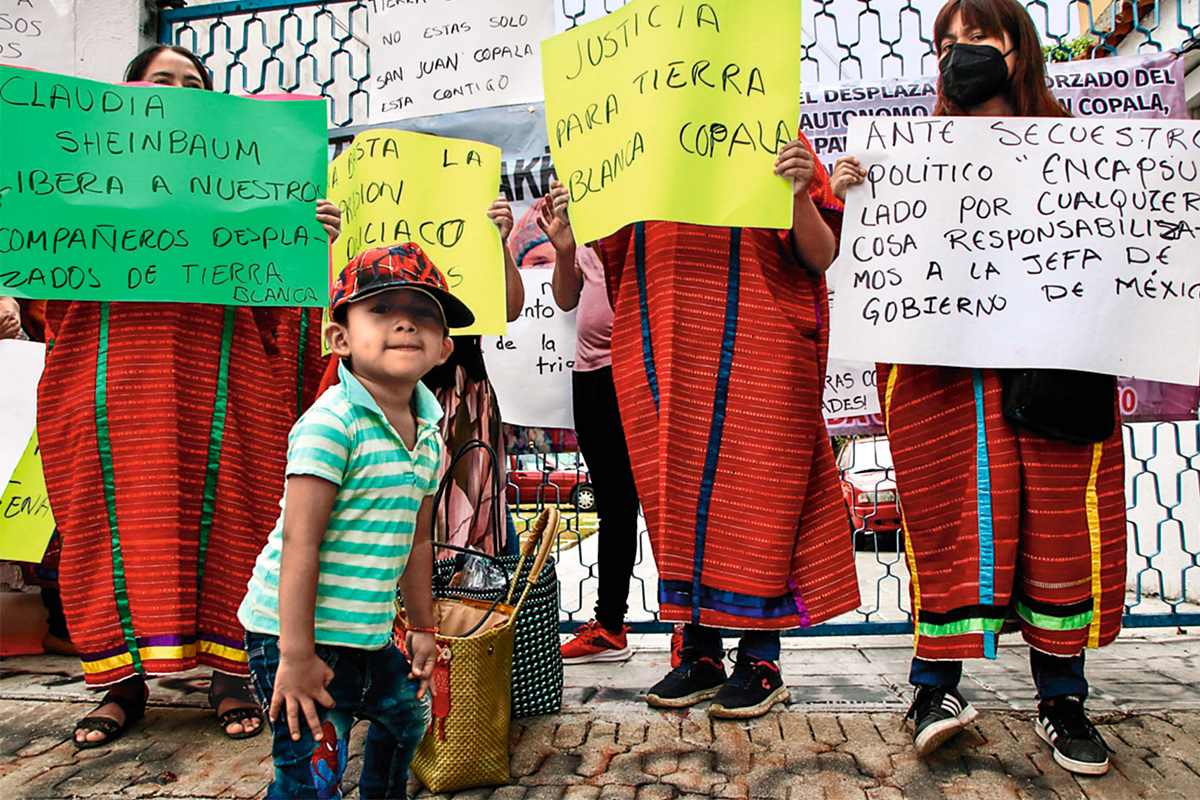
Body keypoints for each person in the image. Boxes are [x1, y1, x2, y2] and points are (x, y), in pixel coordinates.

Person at [836, 0, 1126, 776]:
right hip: (948, 376)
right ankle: (935, 688)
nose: (959, 53)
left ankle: (1062, 699)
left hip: (1055, 369)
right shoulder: (913, 155)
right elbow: (877, 262)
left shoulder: (1079, 146)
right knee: (949, 511)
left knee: (1059, 518)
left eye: (977, 38)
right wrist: (861, 197)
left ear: (1017, 47)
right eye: (945, 42)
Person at [36, 44, 341, 747]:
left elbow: (288, 312)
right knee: (106, 531)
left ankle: (232, 677)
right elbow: (47, 291)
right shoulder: (80, 184)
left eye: (193, 83)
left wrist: (307, 244)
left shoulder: (248, 185)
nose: (176, 91)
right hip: (109, 386)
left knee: (232, 517)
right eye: (161, 80)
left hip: (224, 387)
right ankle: (119, 686)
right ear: (130, 95)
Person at [561, 133, 861, 718]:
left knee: (756, 495)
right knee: (674, 498)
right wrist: (578, 223)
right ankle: (698, 655)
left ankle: (761, 660)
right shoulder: (632, 141)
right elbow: (605, 271)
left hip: (760, 343)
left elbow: (819, 255)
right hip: (662, 350)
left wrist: (800, 194)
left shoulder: (770, 128)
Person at [240, 242, 469, 799]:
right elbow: (300, 544)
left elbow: (418, 542)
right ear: (340, 339)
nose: (406, 325)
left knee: (407, 720)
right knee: (312, 777)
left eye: (424, 315)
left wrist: (421, 628)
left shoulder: (430, 432)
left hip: (366, 637)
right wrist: (296, 657)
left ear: (443, 348)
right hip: (293, 635)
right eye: (382, 310)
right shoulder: (331, 425)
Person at [515, 192, 641, 663]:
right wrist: (565, 249)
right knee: (613, 505)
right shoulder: (587, 221)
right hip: (592, 376)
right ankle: (610, 625)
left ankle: (689, 632)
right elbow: (567, 300)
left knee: (675, 505)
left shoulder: (650, 210)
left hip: (649, 369)